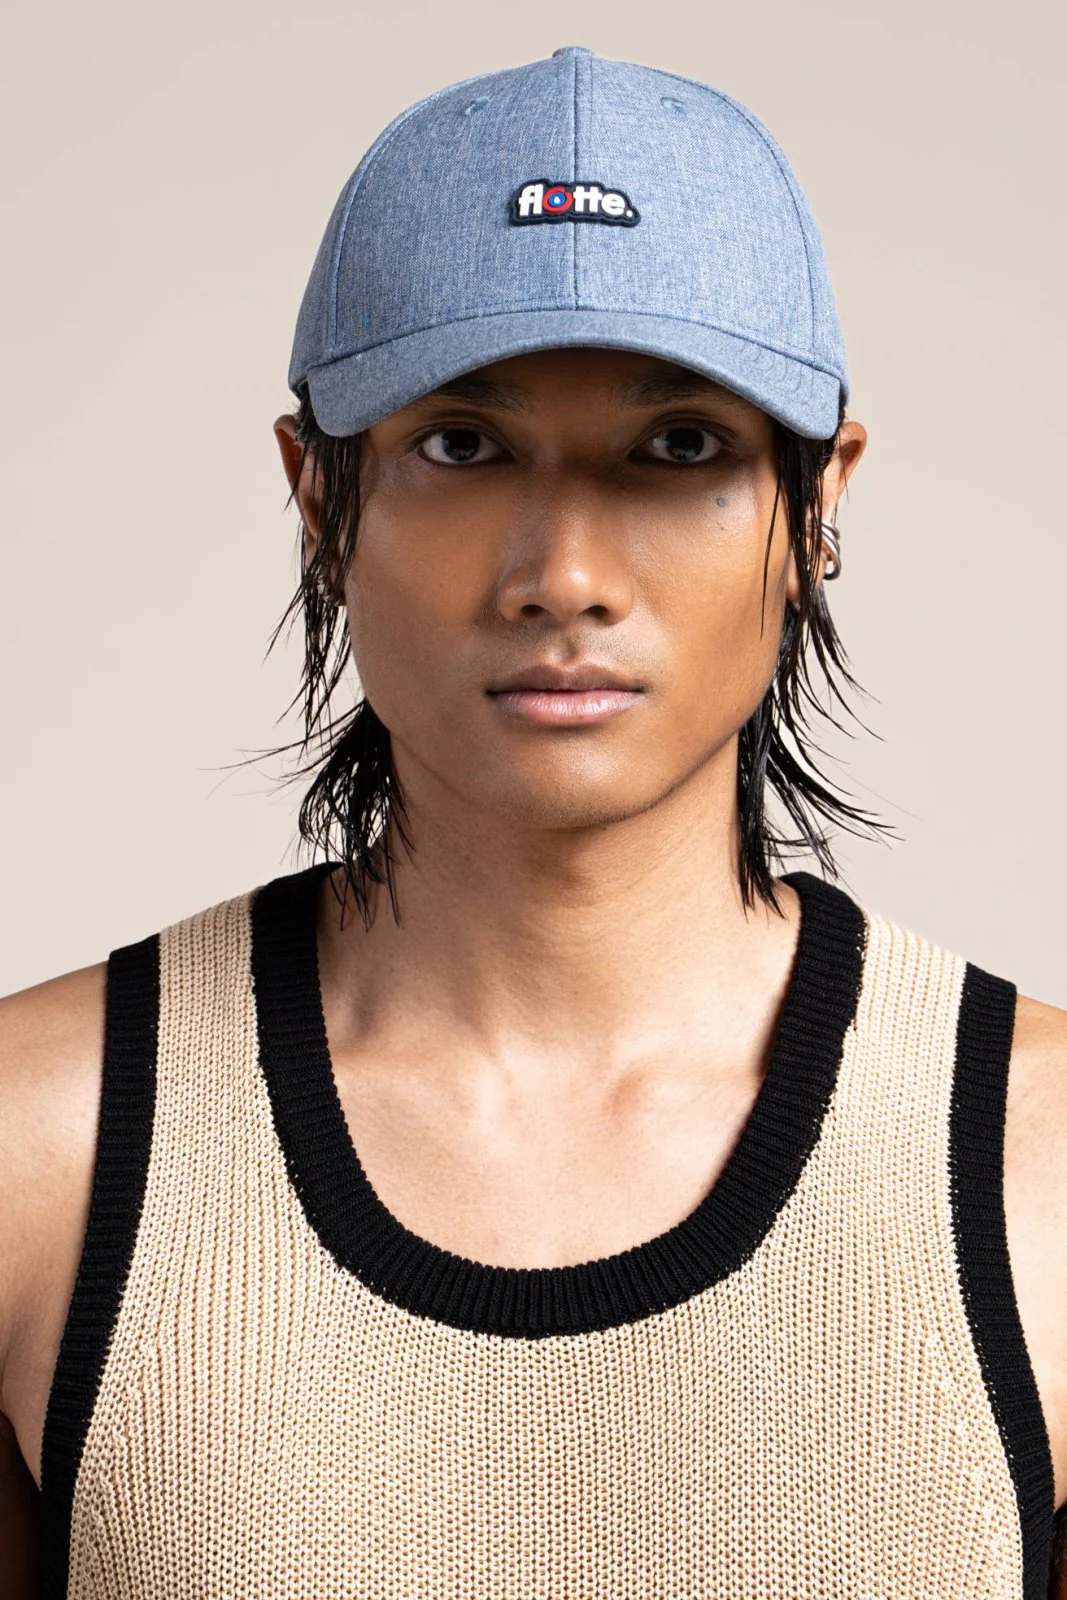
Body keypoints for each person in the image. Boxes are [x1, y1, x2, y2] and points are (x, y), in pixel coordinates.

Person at [1, 43, 1064, 1600]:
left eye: (679, 447)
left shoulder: (1043, 1167)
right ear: (319, 498)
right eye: (461, 444)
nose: (563, 573)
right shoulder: (39, 1151)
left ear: (816, 504)